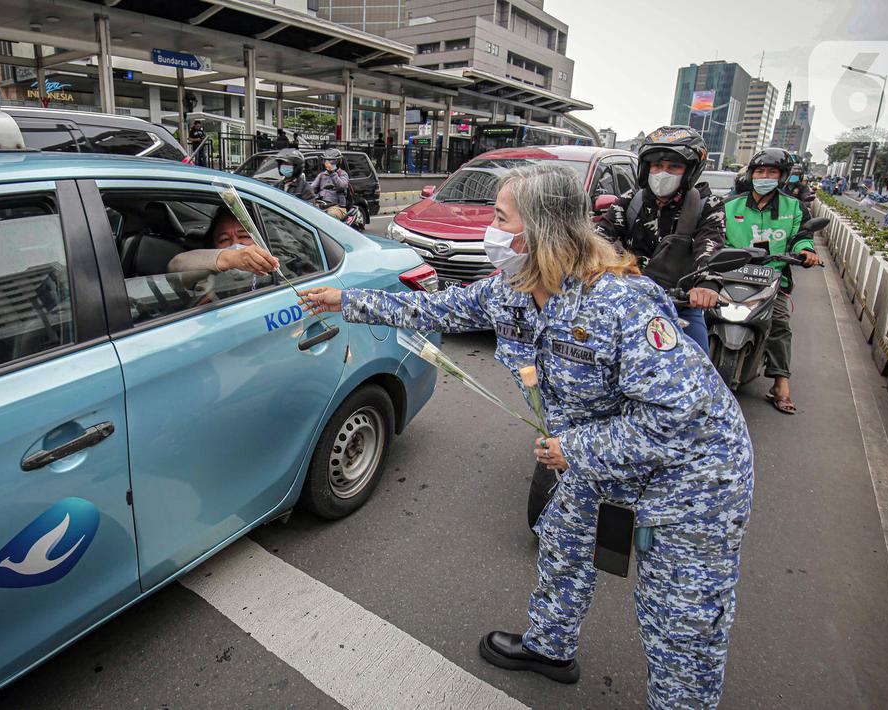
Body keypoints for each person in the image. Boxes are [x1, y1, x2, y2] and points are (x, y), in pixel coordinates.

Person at [300, 164, 754, 709]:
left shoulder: (620, 303)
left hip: (692, 476)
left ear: (541, 229)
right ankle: (551, 648)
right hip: (600, 453)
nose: (488, 229)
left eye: (499, 217)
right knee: (564, 543)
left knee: (680, 620)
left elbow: (679, 418)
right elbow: (436, 307)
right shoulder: (511, 291)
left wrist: (576, 449)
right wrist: (342, 301)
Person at [594, 125, 726, 355]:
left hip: (679, 306)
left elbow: (710, 244)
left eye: (674, 166)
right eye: (657, 165)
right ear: (646, 169)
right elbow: (599, 238)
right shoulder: (630, 201)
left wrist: (707, 285)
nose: (663, 172)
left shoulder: (707, 205)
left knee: (699, 370)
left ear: (690, 171)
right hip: (626, 303)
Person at [723, 148, 820, 416]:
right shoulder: (730, 205)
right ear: (752, 174)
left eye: (772, 172)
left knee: (779, 324)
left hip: (772, 277)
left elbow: (802, 235)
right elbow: (714, 233)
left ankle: (780, 384)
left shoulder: (794, 208)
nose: (765, 176)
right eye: (760, 171)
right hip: (729, 274)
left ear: (782, 177)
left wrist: (806, 251)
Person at [167, 211, 280, 276]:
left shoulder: (278, 269)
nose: (235, 244)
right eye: (224, 239)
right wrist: (231, 259)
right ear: (214, 245)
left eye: (244, 236)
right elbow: (175, 265)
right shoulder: (209, 273)